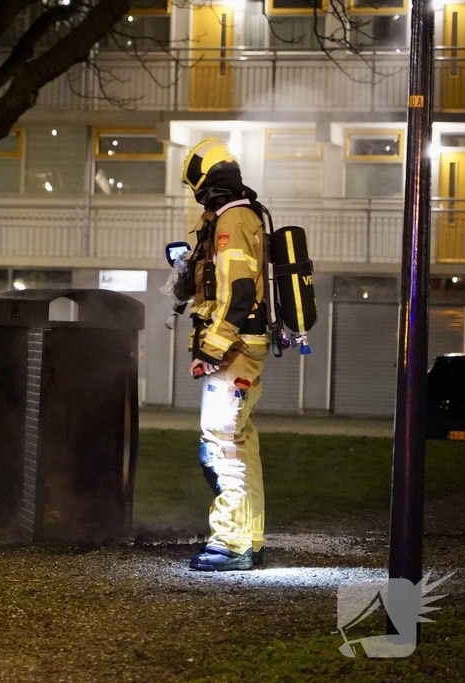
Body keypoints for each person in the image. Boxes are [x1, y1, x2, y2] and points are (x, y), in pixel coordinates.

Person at [179, 139, 270, 572]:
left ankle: (230, 545)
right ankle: (248, 537)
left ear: (206, 180)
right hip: (240, 348)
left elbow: (239, 292)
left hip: (232, 350)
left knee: (220, 446)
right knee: (240, 444)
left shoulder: (233, 218)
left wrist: (211, 351)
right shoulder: (241, 213)